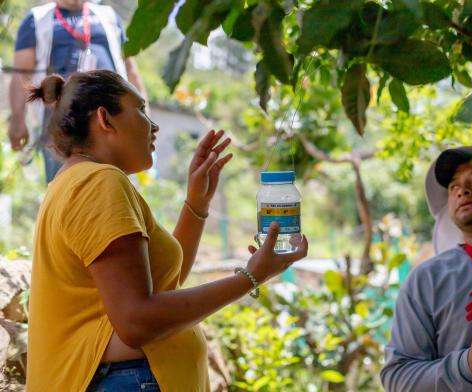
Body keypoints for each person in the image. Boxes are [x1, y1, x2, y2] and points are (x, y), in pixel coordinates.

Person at [26, 70, 309, 391]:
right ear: (105, 119)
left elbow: (162, 286)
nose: (154, 125)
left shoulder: (74, 181)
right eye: (141, 110)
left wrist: (196, 205)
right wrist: (249, 278)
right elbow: (136, 321)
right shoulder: (98, 182)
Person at [381, 146, 472, 391]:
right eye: (453, 187)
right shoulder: (427, 279)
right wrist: (467, 365)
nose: (463, 191)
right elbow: (398, 378)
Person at [9, 0, 147, 183]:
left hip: (112, 120)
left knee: (116, 183)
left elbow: (131, 70)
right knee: (69, 185)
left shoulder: (108, 17)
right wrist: (17, 119)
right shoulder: (37, 19)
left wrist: (145, 113)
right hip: (62, 126)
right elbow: (20, 75)